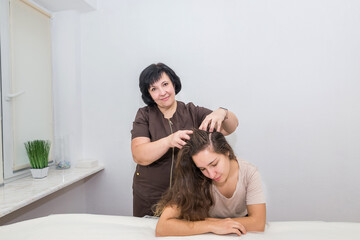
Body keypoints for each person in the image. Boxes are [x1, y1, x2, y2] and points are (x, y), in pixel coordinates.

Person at [131, 63, 239, 217]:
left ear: (174, 84)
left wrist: (223, 112)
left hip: (189, 196)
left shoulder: (193, 112)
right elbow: (139, 155)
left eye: (165, 84)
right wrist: (168, 141)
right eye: (154, 89)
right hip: (149, 196)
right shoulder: (144, 115)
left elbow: (230, 127)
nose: (162, 92)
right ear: (148, 94)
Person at [155, 129, 266, 237]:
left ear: (227, 151)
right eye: (203, 169)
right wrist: (212, 225)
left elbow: (258, 223)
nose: (211, 174)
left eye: (214, 164)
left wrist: (217, 224)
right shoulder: (195, 176)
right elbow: (162, 227)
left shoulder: (249, 173)